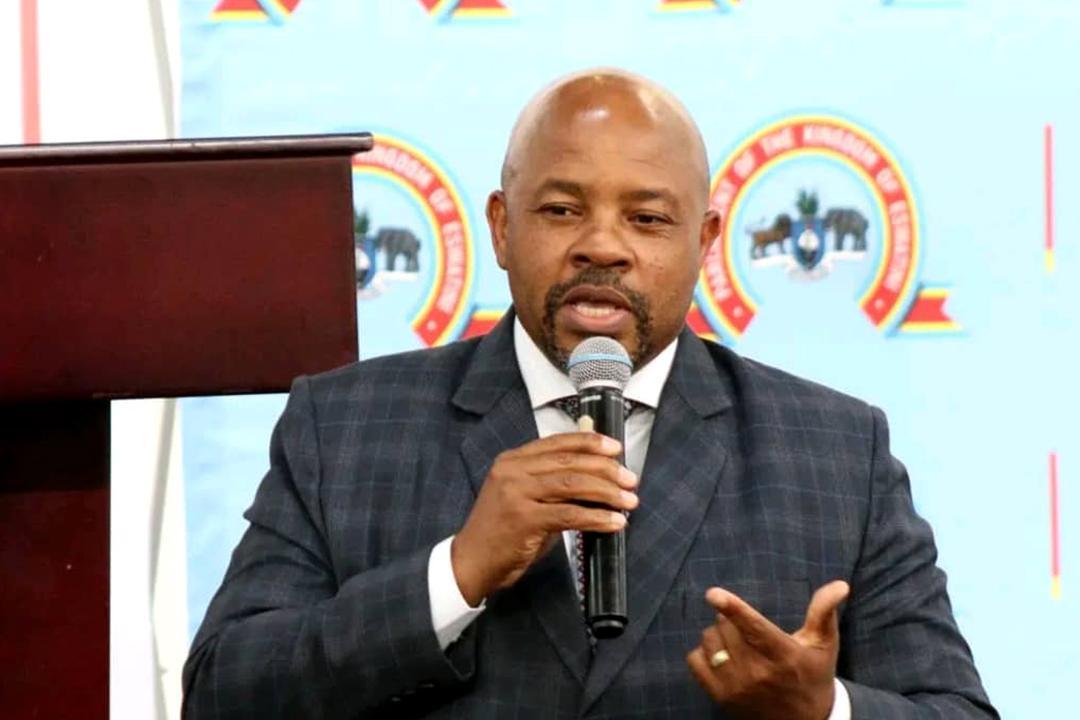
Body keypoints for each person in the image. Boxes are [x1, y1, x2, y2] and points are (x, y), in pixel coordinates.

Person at [182, 69, 997, 719]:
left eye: (647, 219)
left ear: (705, 241)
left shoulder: (837, 452)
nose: (601, 246)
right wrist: (453, 576)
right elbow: (223, 694)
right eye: (563, 209)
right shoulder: (344, 428)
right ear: (502, 227)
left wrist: (822, 711)